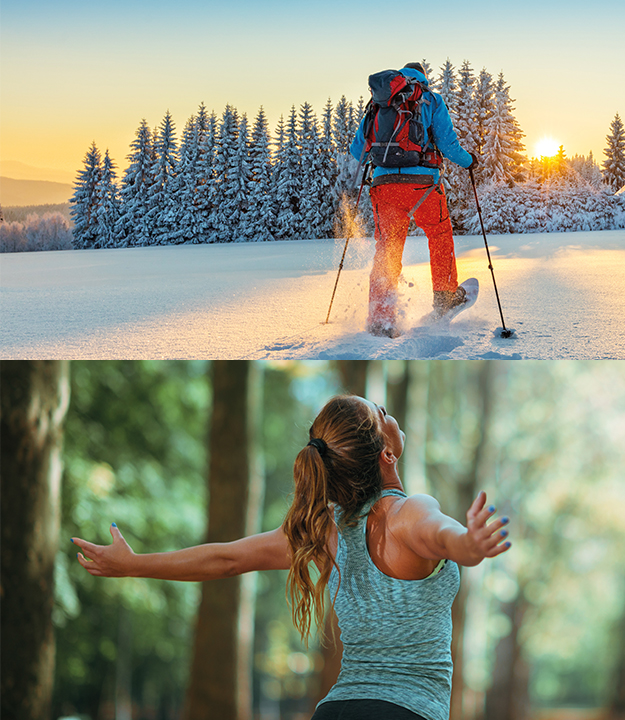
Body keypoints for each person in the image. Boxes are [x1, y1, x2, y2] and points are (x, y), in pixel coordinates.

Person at [73, 394, 511, 720]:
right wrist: (470, 545)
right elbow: (448, 539)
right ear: (388, 452)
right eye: (381, 411)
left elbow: (227, 559)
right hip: (405, 712)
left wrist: (134, 564)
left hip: (336, 709)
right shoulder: (411, 511)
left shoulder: (325, 530)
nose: (388, 411)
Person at [350, 62, 478, 338]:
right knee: (439, 234)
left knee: (387, 248)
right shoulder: (430, 99)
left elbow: (357, 149)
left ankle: (381, 318)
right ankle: (445, 296)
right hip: (423, 186)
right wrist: (469, 162)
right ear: (423, 78)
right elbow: (447, 144)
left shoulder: (379, 103)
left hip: (384, 187)